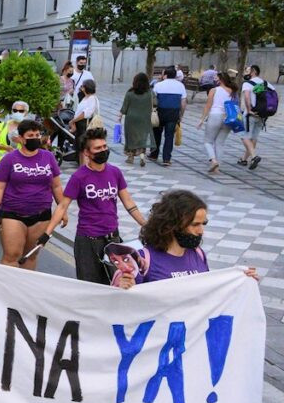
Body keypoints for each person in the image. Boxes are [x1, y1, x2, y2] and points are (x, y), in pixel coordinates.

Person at [39, 128, 147, 284]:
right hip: (88, 242)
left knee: (118, 284)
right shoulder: (79, 177)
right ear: (87, 153)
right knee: (90, 286)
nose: (103, 150)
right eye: (98, 148)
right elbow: (62, 206)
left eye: (104, 146)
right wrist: (47, 234)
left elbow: (129, 203)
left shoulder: (115, 172)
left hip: (113, 240)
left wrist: (145, 224)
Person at [117, 190, 257, 288]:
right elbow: (123, 308)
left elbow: (210, 291)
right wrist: (123, 288)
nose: (201, 231)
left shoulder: (198, 254)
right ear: (171, 225)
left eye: (203, 224)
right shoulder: (140, 261)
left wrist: (240, 280)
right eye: (195, 224)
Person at [0, 120, 66, 270]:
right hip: (13, 214)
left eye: (37, 134)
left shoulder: (48, 157)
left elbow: (56, 186)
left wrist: (63, 210)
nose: (35, 138)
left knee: (30, 256)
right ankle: (7, 290)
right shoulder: (9, 159)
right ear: (21, 139)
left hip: (41, 215)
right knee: (12, 256)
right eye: (31, 135)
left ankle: (24, 291)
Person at [0, 104, 26, 217]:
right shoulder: (3, 126)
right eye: (15, 110)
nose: (18, 112)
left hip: (17, 168)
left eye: (21, 110)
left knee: (11, 196)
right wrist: (5, 147)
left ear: (26, 112)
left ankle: (7, 219)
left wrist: (21, 141)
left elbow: (32, 147)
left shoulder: (27, 129)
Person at [197, 71, 238, 174]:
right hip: (228, 118)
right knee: (220, 143)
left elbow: (208, 105)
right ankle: (217, 168)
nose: (214, 79)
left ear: (220, 80)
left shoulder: (214, 90)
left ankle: (213, 160)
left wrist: (202, 119)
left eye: (216, 78)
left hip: (215, 115)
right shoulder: (232, 91)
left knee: (208, 141)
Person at [148, 66, 187, 166]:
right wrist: (181, 114)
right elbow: (183, 102)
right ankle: (166, 158)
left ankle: (154, 154)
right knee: (169, 136)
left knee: (157, 134)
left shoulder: (158, 85)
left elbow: (153, 100)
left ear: (165, 75)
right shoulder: (180, 86)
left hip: (160, 112)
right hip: (173, 113)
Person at [118, 73, 155, 166]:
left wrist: (119, 116)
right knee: (142, 138)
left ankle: (130, 156)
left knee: (130, 137)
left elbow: (124, 107)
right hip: (144, 119)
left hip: (131, 119)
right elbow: (154, 105)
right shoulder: (150, 93)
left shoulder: (130, 93)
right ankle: (142, 156)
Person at [238, 64, 268, 170]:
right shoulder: (265, 83)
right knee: (253, 138)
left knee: (244, 136)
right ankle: (244, 159)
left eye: (247, 70)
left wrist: (249, 109)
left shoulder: (248, 83)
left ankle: (254, 157)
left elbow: (246, 96)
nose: (245, 72)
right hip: (261, 114)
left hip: (250, 114)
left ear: (253, 71)